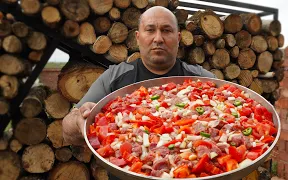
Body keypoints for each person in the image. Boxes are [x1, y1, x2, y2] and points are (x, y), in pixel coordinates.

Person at [62, 6, 216, 146]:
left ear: (178, 38)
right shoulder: (114, 77)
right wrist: (79, 120)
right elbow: (68, 132)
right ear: (137, 37)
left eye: (166, 30)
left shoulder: (202, 79)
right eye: (150, 30)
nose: (158, 39)